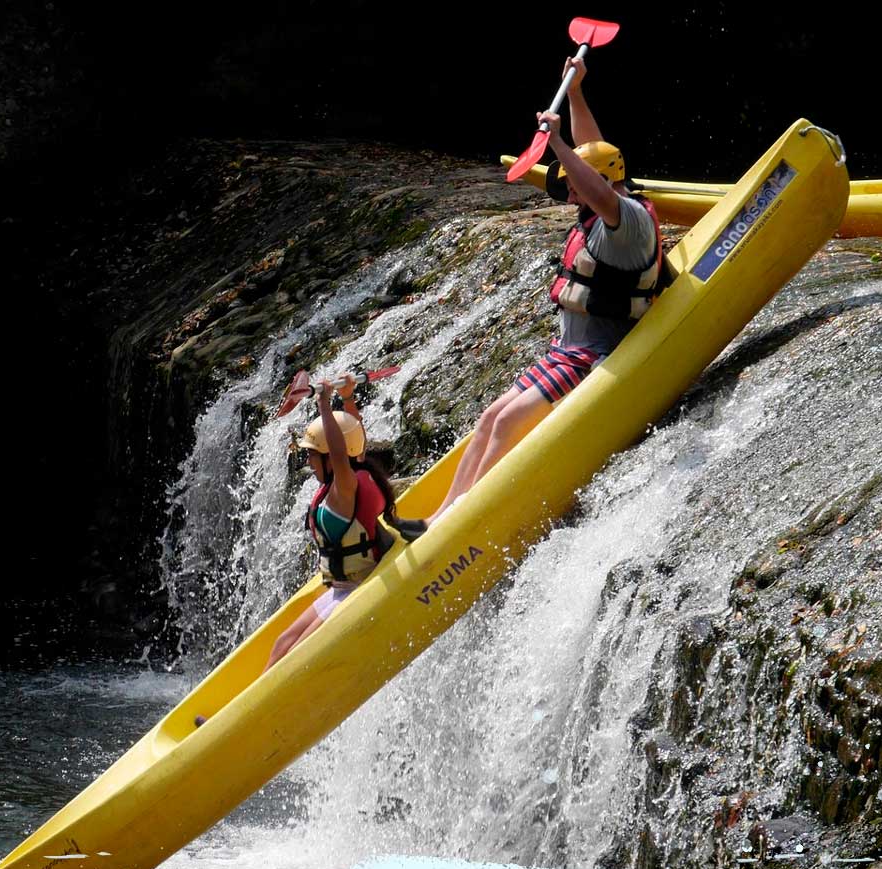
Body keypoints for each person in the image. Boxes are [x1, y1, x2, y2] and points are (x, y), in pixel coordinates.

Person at [431, 55, 672, 521]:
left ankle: (463, 520)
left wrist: (557, 143)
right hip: (569, 349)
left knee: (508, 422)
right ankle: (440, 517)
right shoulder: (609, 199)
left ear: (600, 183)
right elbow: (595, 152)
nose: (571, 196)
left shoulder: (630, 223)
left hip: (598, 354)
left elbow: (597, 182)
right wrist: (577, 90)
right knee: (487, 420)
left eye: (577, 186)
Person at [262, 369, 414, 671]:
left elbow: (344, 447)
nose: (308, 462)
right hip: (339, 589)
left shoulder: (345, 489)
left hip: (356, 591)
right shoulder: (354, 475)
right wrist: (347, 398)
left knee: (294, 658)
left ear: (332, 458)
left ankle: (250, 716)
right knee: (282, 643)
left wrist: (324, 403)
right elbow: (355, 439)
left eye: (313, 456)